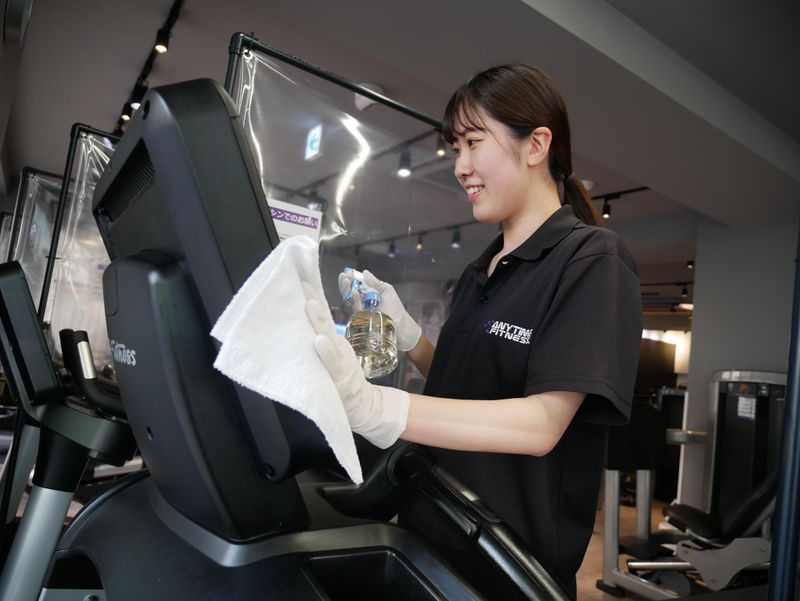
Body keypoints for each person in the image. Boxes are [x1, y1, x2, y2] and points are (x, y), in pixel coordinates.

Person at [304, 64, 642, 598]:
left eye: (473, 142)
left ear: (536, 145)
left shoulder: (591, 260)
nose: (460, 167)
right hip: (429, 530)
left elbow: (541, 425)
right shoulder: (480, 270)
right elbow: (461, 385)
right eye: (454, 148)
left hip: (504, 563)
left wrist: (378, 407)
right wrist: (409, 335)